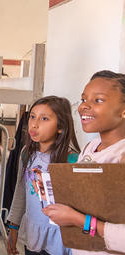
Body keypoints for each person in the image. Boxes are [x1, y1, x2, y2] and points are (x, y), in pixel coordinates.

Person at [43, 70, 125, 254]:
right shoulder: (91, 147)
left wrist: (76, 219)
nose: (83, 107)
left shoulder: (122, 155)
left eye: (98, 100)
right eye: (83, 99)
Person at [7, 96, 80, 255]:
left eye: (44, 118)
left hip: (60, 238)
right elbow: (21, 191)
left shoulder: (73, 159)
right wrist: (13, 226)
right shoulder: (27, 153)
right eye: (32, 116)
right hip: (34, 233)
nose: (35, 124)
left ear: (60, 126)